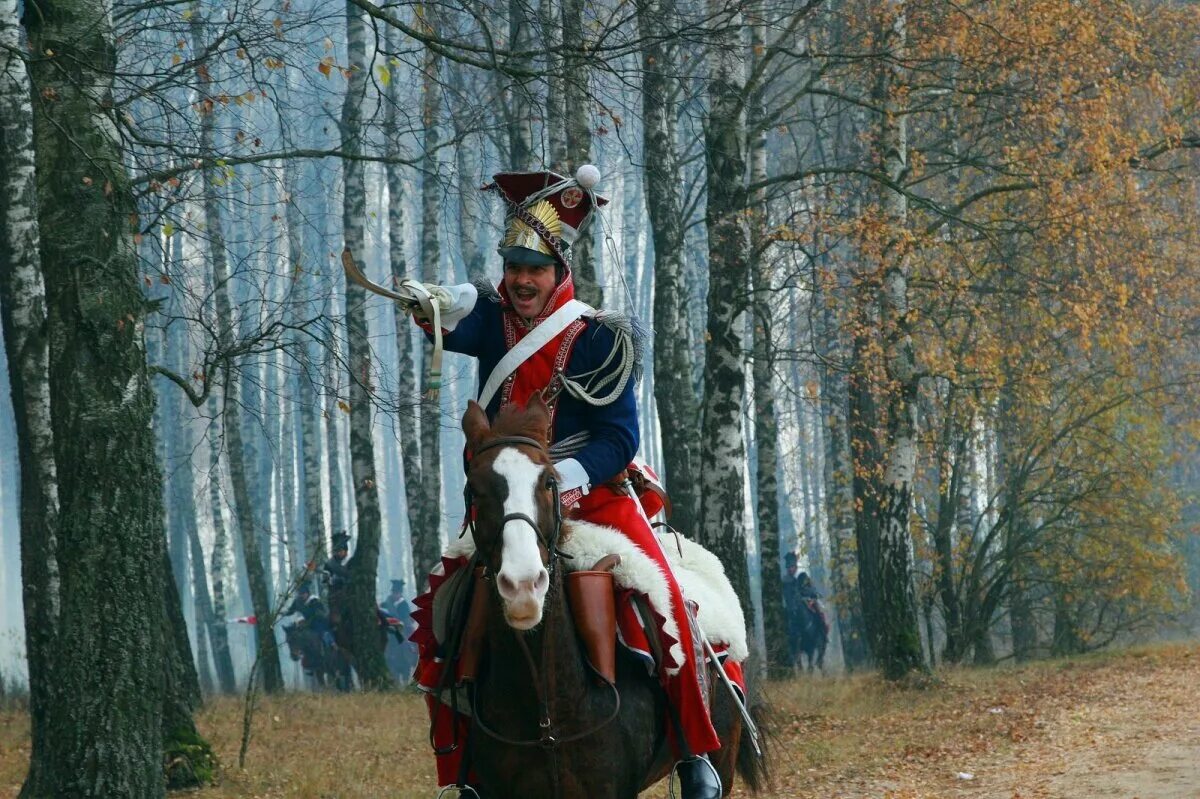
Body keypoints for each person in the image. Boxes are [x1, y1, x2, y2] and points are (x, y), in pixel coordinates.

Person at [401, 166, 723, 798]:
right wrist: (434, 301)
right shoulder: (495, 320)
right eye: (513, 267)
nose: (522, 281)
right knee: (447, 611)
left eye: (536, 270)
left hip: (593, 493)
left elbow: (620, 439)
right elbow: (453, 321)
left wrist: (567, 478)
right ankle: (461, 769)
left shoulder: (600, 336)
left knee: (663, 599)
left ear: (559, 273)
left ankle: (695, 751)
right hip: (510, 497)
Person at [284, 581, 335, 648]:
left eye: (303, 593)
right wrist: (284, 613)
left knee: (323, 632)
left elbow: (320, 613)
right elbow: (291, 610)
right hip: (307, 624)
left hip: (318, 621)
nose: (302, 595)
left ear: (307, 593)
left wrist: (311, 618)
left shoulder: (314, 600)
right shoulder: (297, 602)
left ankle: (332, 645)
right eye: (300, 593)